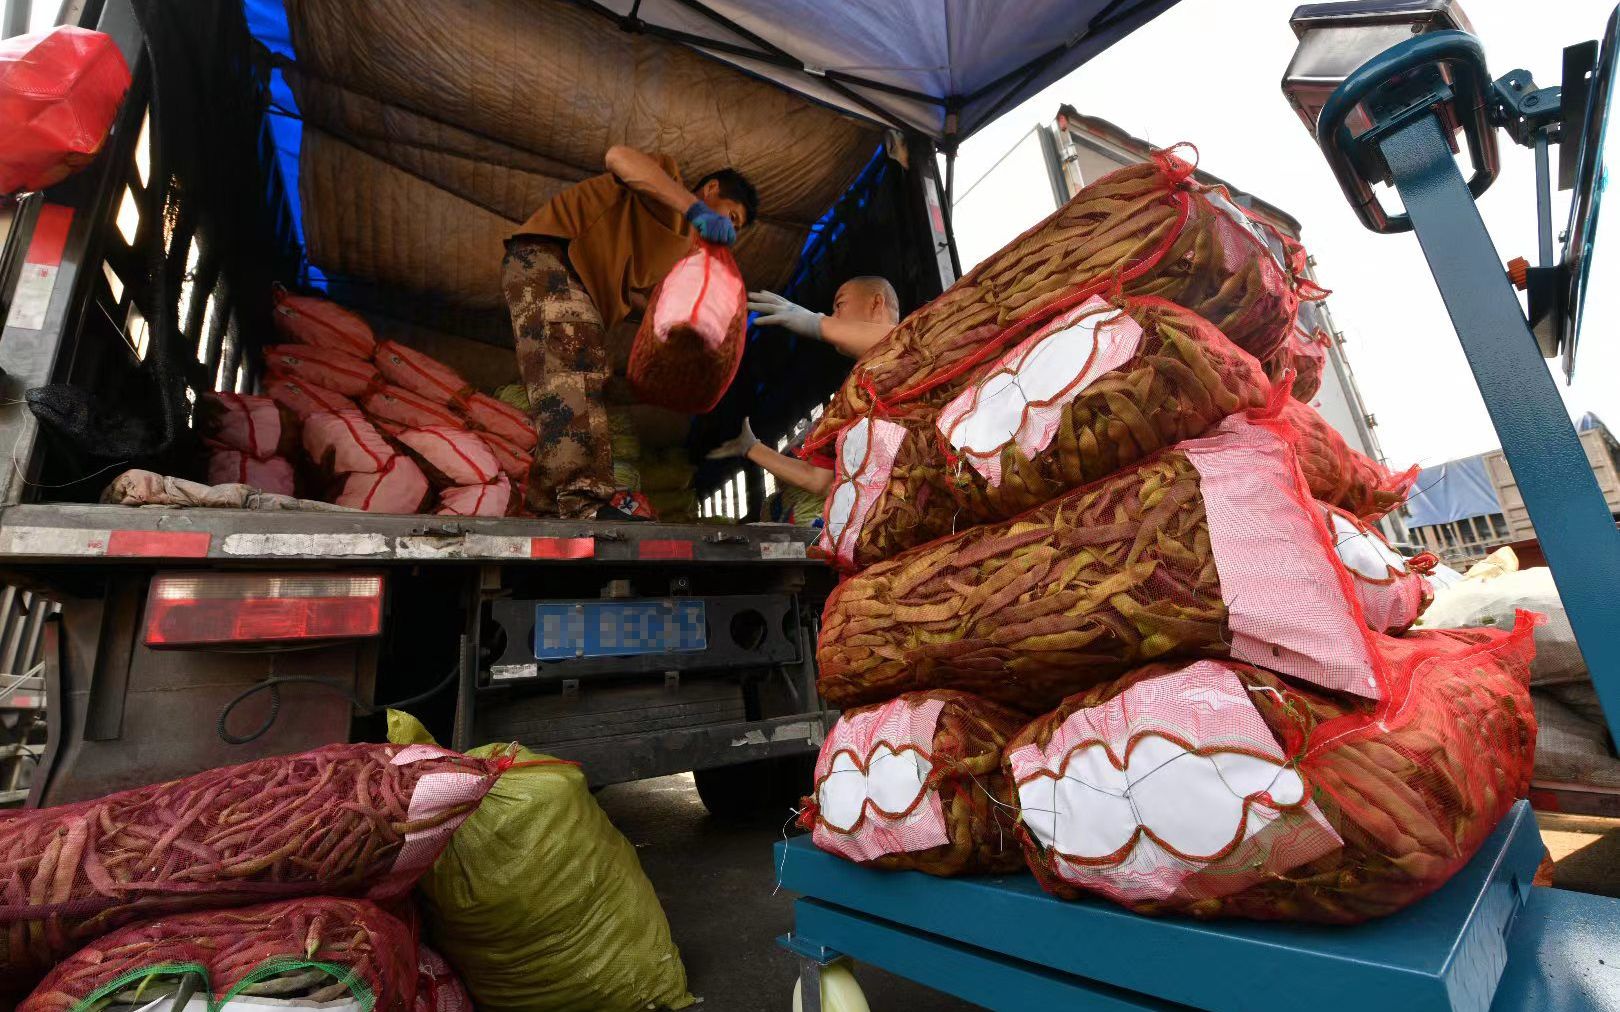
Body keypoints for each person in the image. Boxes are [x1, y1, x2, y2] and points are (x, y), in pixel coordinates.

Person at [502, 146, 759, 518]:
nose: (731, 231)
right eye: (732, 217)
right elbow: (618, 157)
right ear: (712, 189)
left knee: (582, 386)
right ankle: (583, 502)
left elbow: (639, 297)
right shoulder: (668, 182)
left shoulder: (680, 249)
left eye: (737, 228)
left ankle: (548, 506)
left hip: (581, 293)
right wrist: (693, 208)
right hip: (553, 260)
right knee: (574, 375)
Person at [708, 276, 901, 498]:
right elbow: (818, 479)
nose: (833, 317)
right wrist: (752, 448)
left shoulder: (924, 346)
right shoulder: (845, 401)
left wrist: (817, 323)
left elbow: (898, 341)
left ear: (876, 304)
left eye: (840, 305)